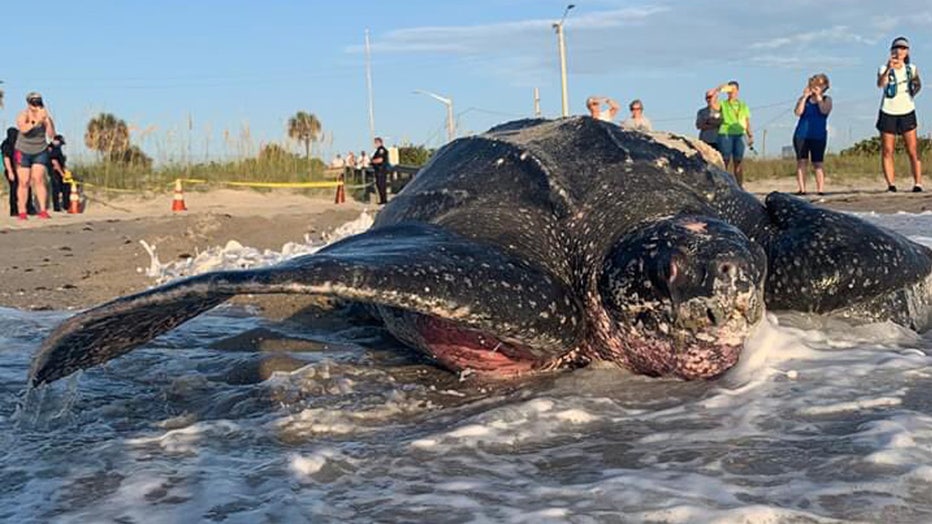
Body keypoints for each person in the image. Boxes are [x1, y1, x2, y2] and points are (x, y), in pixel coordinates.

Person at [877, 36, 923, 192]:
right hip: (888, 111)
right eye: (897, 48)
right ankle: (891, 184)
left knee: (912, 149)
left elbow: (918, 85)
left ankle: (918, 183)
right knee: (888, 150)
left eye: (903, 48)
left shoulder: (912, 69)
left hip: (907, 110)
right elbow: (880, 84)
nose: (900, 50)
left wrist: (912, 88)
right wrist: (889, 68)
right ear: (892, 50)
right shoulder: (883, 69)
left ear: (907, 51)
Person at [14, 92, 56, 220]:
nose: (36, 104)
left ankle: (42, 210)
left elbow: (51, 135)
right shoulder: (23, 114)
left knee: (38, 179)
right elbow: (23, 129)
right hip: (23, 150)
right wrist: (36, 121)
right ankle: (22, 211)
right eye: (33, 102)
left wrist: (47, 121)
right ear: (28, 103)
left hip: (40, 150)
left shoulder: (44, 115)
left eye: (38, 101)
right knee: (24, 181)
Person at [706, 81, 753, 187]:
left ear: (737, 90)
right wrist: (718, 90)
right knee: (725, 160)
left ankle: (739, 185)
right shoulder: (724, 104)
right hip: (726, 133)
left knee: (738, 161)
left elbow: (747, 121)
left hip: (740, 133)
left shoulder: (743, 105)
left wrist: (750, 135)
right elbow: (713, 105)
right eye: (730, 89)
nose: (731, 91)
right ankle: (723, 184)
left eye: (733, 89)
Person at [792, 74, 833, 196]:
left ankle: (820, 189)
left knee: (818, 163)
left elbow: (824, 111)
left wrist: (819, 97)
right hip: (802, 134)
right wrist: (804, 97)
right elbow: (798, 112)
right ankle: (802, 189)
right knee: (802, 161)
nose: (816, 87)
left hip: (818, 135)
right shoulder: (804, 99)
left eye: (819, 85)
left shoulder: (827, 99)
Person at [2, 127, 36, 217]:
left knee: (27, 188)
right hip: (12, 169)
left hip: (22, 169)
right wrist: (10, 172)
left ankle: (29, 208)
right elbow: (6, 158)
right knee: (14, 189)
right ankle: (14, 210)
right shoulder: (6, 145)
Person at [48, 135, 70, 211]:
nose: (61, 145)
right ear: (56, 141)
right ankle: (59, 207)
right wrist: (62, 173)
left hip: (56, 171)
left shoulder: (54, 148)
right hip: (56, 172)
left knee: (61, 188)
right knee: (58, 189)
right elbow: (54, 162)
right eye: (60, 143)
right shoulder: (53, 148)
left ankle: (63, 206)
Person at [371, 137, 389, 205]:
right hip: (378, 171)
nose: (374, 144)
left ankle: (384, 200)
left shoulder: (381, 150)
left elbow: (380, 160)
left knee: (381, 185)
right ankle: (382, 200)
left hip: (381, 171)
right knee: (379, 185)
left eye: (375, 143)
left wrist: (372, 161)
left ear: (379, 142)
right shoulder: (378, 150)